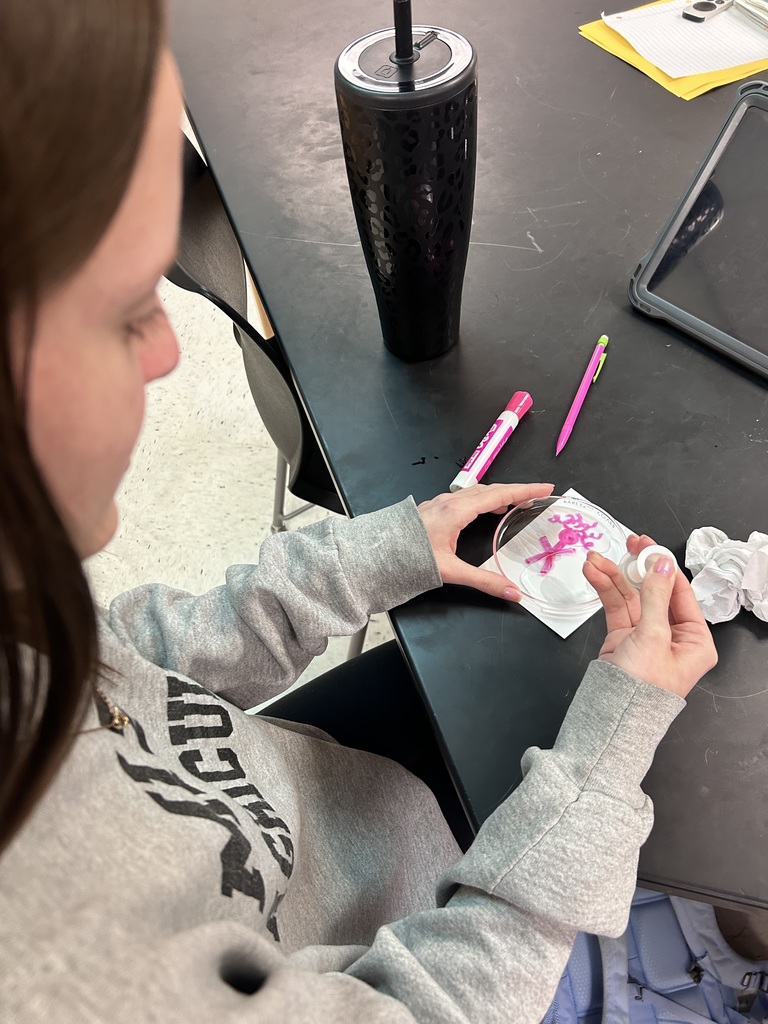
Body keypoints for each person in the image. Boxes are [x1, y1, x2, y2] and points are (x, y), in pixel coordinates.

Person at [0, 2, 718, 1021]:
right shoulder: (61, 982)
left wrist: (376, 553)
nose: (169, 353)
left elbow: (130, 668)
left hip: (340, 820)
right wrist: (610, 743)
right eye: (127, 313)